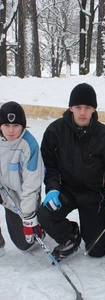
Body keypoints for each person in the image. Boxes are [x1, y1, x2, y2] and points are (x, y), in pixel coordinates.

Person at [37, 83, 105, 261]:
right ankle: (70, 234)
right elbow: (50, 166)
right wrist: (53, 188)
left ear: (94, 109)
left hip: (93, 195)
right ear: (70, 107)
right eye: (78, 107)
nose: (82, 112)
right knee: (45, 214)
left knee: (97, 251)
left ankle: (92, 229)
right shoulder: (55, 131)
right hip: (66, 191)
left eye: (87, 107)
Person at [0, 101, 44, 254]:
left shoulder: (29, 145)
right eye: (6, 125)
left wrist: (28, 217)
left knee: (24, 245)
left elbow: (31, 185)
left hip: (21, 196)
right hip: (3, 189)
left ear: (23, 126)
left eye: (16, 126)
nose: (11, 130)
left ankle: (40, 227)